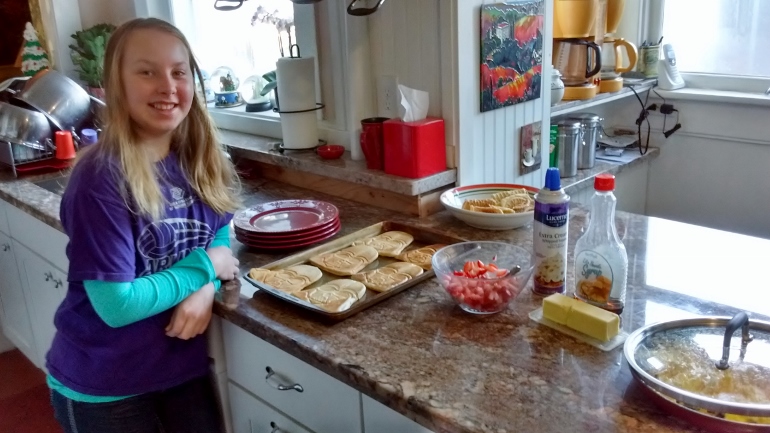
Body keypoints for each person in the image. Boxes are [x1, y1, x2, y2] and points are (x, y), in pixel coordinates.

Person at [46, 17, 241, 433]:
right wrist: (207, 267)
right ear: (119, 84)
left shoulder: (197, 158)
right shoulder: (101, 177)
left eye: (178, 72)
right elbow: (117, 305)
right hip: (107, 386)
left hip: (180, 371)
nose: (168, 86)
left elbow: (218, 230)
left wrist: (204, 287)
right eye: (147, 71)